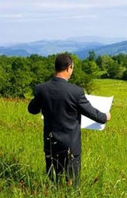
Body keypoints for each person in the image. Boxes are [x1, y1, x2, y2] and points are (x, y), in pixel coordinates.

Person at [28, 53, 111, 187]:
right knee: (72, 184)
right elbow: (93, 114)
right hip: (70, 146)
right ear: (68, 68)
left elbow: (32, 110)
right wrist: (105, 116)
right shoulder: (76, 91)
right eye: (72, 68)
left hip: (50, 144)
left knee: (53, 182)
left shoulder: (41, 89)